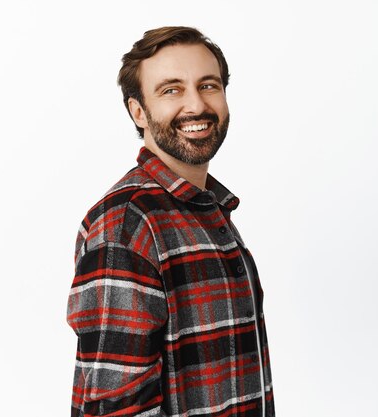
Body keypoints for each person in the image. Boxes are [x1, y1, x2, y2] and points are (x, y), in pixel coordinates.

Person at [66, 26, 275, 417]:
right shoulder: (127, 225)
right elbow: (116, 409)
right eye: (171, 90)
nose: (196, 105)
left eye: (208, 85)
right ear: (138, 112)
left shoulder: (206, 209)